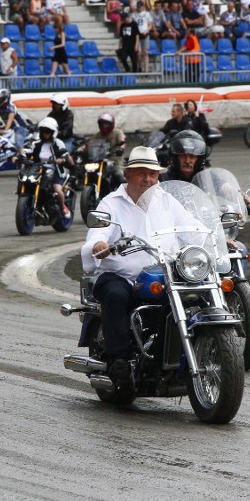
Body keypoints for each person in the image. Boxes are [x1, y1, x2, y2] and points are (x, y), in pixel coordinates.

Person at [79, 146, 166, 391]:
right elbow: (98, 229)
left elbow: (189, 225)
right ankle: (119, 361)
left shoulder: (165, 200)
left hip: (161, 274)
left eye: (152, 173)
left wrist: (216, 237)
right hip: (120, 274)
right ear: (127, 175)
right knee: (115, 294)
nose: (147, 179)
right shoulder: (112, 203)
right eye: (141, 173)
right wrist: (99, 243)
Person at [161, 129, 250, 216]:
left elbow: (230, 191)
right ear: (175, 157)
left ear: (199, 158)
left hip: (203, 226)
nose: (188, 161)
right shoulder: (163, 177)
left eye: (192, 156)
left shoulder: (206, 176)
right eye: (183, 156)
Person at [30, 117, 74, 219]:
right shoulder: (36, 143)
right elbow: (28, 152)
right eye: (43, 131)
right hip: (39, 170)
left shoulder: (58, 143)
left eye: (48, 131)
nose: (45, 133)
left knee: (57, 189)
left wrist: (61, 159)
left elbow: (65, 153)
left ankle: (63, 207)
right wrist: (19, 156)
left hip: (55, 170)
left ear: (53, 132)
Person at [0, 88, 27, 155]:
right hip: (10, 127)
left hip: (19, 127)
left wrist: (5, 130)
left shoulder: (11, 107)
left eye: (0, 98)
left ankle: (23, 158)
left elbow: (10, 120)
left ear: (5, 99)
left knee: (18, 143)